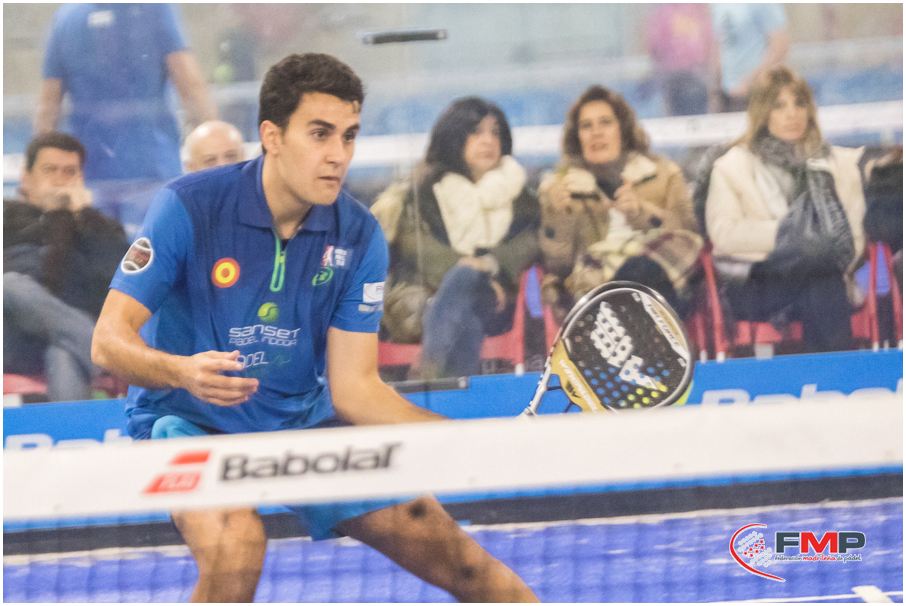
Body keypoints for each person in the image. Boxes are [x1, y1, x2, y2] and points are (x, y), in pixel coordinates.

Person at [91, 53, 537, 603]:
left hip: (300, 422)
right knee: (235, 549)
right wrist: (181, 371)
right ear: (272, 137)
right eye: (320, 134)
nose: (338, 155)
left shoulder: (358, 235)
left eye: (349, 136)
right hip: (187, 422)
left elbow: (356, 389)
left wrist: (461, 441)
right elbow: (107, 341)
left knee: (459, 560)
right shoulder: (188, 206)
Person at [371, 97, 541, 378]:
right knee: (467, 314)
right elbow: (418, 250)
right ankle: (448, 384)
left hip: (496, 302)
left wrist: (487, 266)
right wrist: (468, 268)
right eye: (476, 131)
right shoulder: (422, 194)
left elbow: (527, 247)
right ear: (453, 136)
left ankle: (429, 371)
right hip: (423, 300)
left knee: (469, 288)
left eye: (495, 132)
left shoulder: (523, 200)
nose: (488, 141)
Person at [705, 67, 865, 353]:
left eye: (799, 104)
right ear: (763, 113)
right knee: (819, 269)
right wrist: (790, 235)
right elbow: (724, 234)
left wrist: (813, 250)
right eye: (780, 106)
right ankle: (836, 372)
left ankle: (820, 371)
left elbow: (855, 236)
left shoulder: (840, 165)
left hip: (828, 276)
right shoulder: (732, 167)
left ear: (810, 110)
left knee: (820, 274)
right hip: (758, 281)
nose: (792, 114)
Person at [539, 85, 701, 324]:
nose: (596, 133)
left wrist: (641, 212)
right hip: (594, 295)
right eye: (586, 126)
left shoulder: (664, 174)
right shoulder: (561, 188)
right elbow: (559, 266)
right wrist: (559, 217)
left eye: (605, 122)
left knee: (640, 269)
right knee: (607, 286)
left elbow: (689, 233)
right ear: (577, 137)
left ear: (623, 129)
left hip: (660, 285)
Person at [4, 132, 128, 402]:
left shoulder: (102, 227)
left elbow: (114, 286)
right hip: (15, 337)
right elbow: (47, 283)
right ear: (26, 177)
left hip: (71, 334)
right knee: (9, 284)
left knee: (63, 352)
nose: (60, 180)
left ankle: (70, 429)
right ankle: (107, 352)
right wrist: (59, 217)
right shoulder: (7, 217)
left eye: (69, 172)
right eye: (50, 170)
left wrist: (81, 216)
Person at [34, 3, 217, 185]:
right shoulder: (154, 8)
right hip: (153, 168)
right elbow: (190, 85)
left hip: (89, 170)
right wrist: (215, 151)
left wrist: (38, 173)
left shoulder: (66, 17)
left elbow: (48, 107)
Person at [711, 3, 790, 112]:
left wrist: (750, 80)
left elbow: (780, 47)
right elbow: (719, 45)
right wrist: (716, 88)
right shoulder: (718, 5)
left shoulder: (764, 4)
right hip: (726, 95)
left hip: (757, 92)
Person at [645, 3, 717, 116]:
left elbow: (709, 42)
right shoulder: (664, 11)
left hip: (695, 76)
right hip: (676, 77)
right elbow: (655, 46)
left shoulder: (698, 10)